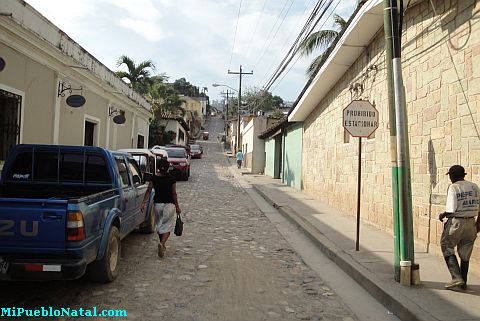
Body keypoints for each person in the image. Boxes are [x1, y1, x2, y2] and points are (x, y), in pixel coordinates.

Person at [439, 165, 480, 290]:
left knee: (446, 245)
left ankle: (456, 277)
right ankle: (464, 283)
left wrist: (443, 214)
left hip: (457, 222)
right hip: (471, 222)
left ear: (452, 176)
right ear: (464, 175)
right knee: (465, 253)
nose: (450, 178)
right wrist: (478, 223)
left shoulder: (453, 187)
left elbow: (451, 209)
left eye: (450, 175)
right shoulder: (474, 186)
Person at [141, 158, 181, 258]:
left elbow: (148, 191)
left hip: (158, 205)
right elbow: (174, 194)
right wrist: (177, 207)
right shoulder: (172, 179)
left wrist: (144, 203)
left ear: (158, 167)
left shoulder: (154, 178)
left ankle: (161, 244)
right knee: (167, 226)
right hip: (169, 205)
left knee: (159, 225)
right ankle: (162, 243)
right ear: (167, 168)